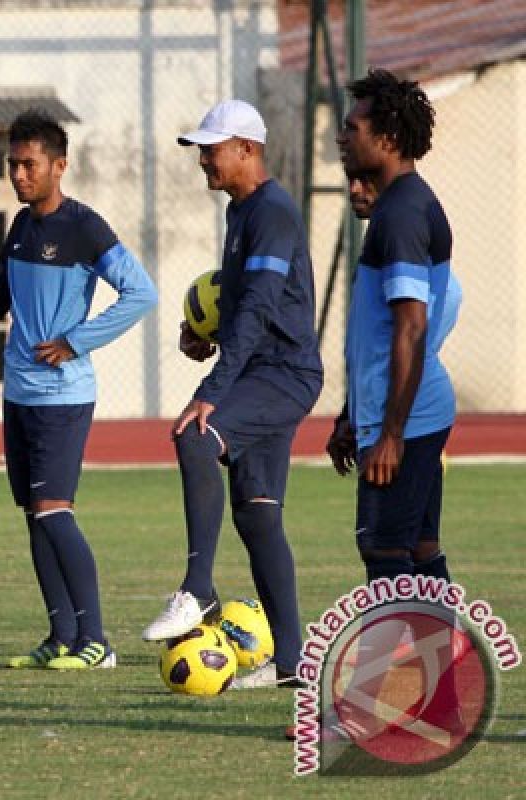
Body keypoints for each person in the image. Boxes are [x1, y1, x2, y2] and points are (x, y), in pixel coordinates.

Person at [0, 110, 158, 670]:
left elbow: (140, 293)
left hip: (63, 396)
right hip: (19, 392)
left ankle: (97, 642)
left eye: (29, 164)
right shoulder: (21, 228)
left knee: (54, 510)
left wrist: (77, 340)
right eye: (13, 164)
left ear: (59, 165)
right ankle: (61, 636)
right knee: (34, 513)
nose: (19, 174)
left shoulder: (85, 227)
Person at [140, 100, 323, 691]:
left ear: (247, 148)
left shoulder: (272, 211)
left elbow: (264, 306)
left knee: (194, 436)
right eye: (200, 150)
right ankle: (293, 662)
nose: (203, 162)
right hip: (260, 371)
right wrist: (204, 333)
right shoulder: (240, 212)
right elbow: (242, 304)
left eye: (212, 150)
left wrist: (212, 388)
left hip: (284, 374)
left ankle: (196, 589)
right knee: (258, 515)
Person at [334, 70, 457, 584]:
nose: (342, 139)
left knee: (385, 556)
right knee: (420, 551)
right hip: (405, 415)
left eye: (352, 128)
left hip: (408, 421)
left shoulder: (402, 214)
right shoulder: (397, 207)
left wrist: (391, 434)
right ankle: (453, 666)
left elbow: (411, 327)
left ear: (386, 138)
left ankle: (392, 670)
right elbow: (379, 336)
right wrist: (351, 414)